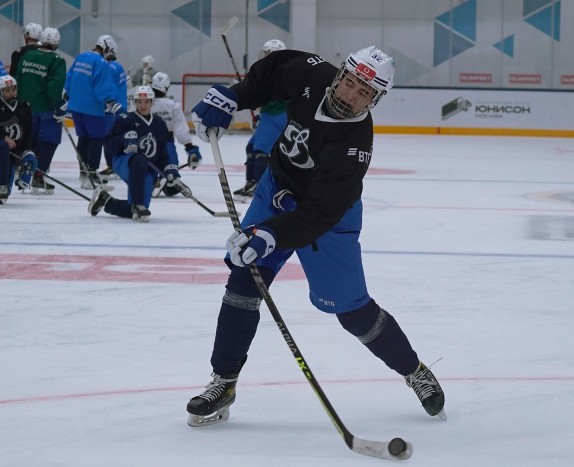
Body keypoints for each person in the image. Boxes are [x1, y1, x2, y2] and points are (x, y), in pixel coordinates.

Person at [186, 46, 446, 427]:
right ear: (340, 74)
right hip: (275, 190)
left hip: (328, 219)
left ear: (376, 99)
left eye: (364, 93)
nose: (351, 96)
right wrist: (235, 96)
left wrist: (269, 235)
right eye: (351, 83)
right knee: (243, 281)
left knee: (353, 312)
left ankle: (413, 369)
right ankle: (223, 383)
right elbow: (272, 71)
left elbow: (318, 214)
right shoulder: (313, 75)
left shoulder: (355, 145)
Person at [89, 85, 190, 222]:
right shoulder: (125, 119)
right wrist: (122, 140)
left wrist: (169, 170)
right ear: (135, 102)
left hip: (147, 169)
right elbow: (109, 145)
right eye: (140, 102)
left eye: (147, 102)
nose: (143, 105)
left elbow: (162, 153)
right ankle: (138, 204)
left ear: (152, 103)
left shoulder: (159, 123)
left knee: (138, 212)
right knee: (139, 159)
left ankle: (106, 201)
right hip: (124, 162)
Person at [233, 39, 288, 203]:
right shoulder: (275, 71)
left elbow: (270, 98)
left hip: (277, 115)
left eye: (267, 53)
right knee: (251, 147)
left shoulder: (279, 73)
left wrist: (247, 94)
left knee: (260, 151)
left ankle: (258, 187)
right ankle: (251, 182)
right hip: (271, 115)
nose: (264, 56)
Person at [63, 34, 122, 189]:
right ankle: (92, 174)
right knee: (96, 139)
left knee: (83, 139)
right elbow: (102, 87)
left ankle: (83, 174)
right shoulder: (101, 63)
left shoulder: (81, 57)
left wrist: (66, 93)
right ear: (106, 48)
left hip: (76, 106)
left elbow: (69, 77)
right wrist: (111, 100)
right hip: (92, 108)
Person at [15, 27, 66, 195]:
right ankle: (38, 174)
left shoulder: (28, 55)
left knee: (31, 141)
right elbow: (54, 86)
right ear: (56, 43)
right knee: (50, 141)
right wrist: (58, 104)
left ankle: (25, 170)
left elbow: (18, 79)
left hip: (26, 108)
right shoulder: (56, 60)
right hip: (46, 109)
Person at [149, 71, 201, 197]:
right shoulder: (172, 105)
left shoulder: (145, 103)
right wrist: (191, 149)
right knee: (170, 165)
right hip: (166, 142)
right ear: (167, 87)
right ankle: (170, 177)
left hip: (147, 143)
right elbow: (181, 129)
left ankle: (153, 180)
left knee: (147, 169)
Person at [0, 75, 37, 204]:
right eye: (7, 90)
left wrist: (27, 151)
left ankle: (19, 179)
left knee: (31, 159)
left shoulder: (24, 107)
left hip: (14, 152)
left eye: (13, 89)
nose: (11, 93)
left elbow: (27, 133)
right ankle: (2, 184)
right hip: (2, 150)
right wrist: (4, 138)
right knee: (2, 146)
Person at [99, 43, 129, 179]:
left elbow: (105, 87)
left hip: (112, 109)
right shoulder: (119, 66)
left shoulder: (109, 67)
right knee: (110, 139)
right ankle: (114, 166)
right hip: (118, 108)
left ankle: (115, 166)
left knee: (109, 139)